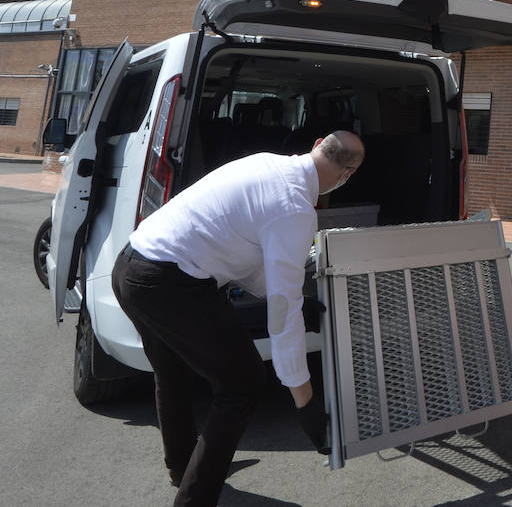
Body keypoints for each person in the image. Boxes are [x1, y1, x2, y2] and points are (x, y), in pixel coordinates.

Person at [111, 131, 365, 507]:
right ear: (347, 174)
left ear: (315, 145)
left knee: (173, 371)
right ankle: (194, 498)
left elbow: (244, 258)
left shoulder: (265, 162)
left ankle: (184, 468)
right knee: (242, 384)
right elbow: (283, 312)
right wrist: (305, 403)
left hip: (132, 265)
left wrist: (290, 300)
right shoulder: (295, 209)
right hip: (169, 282)